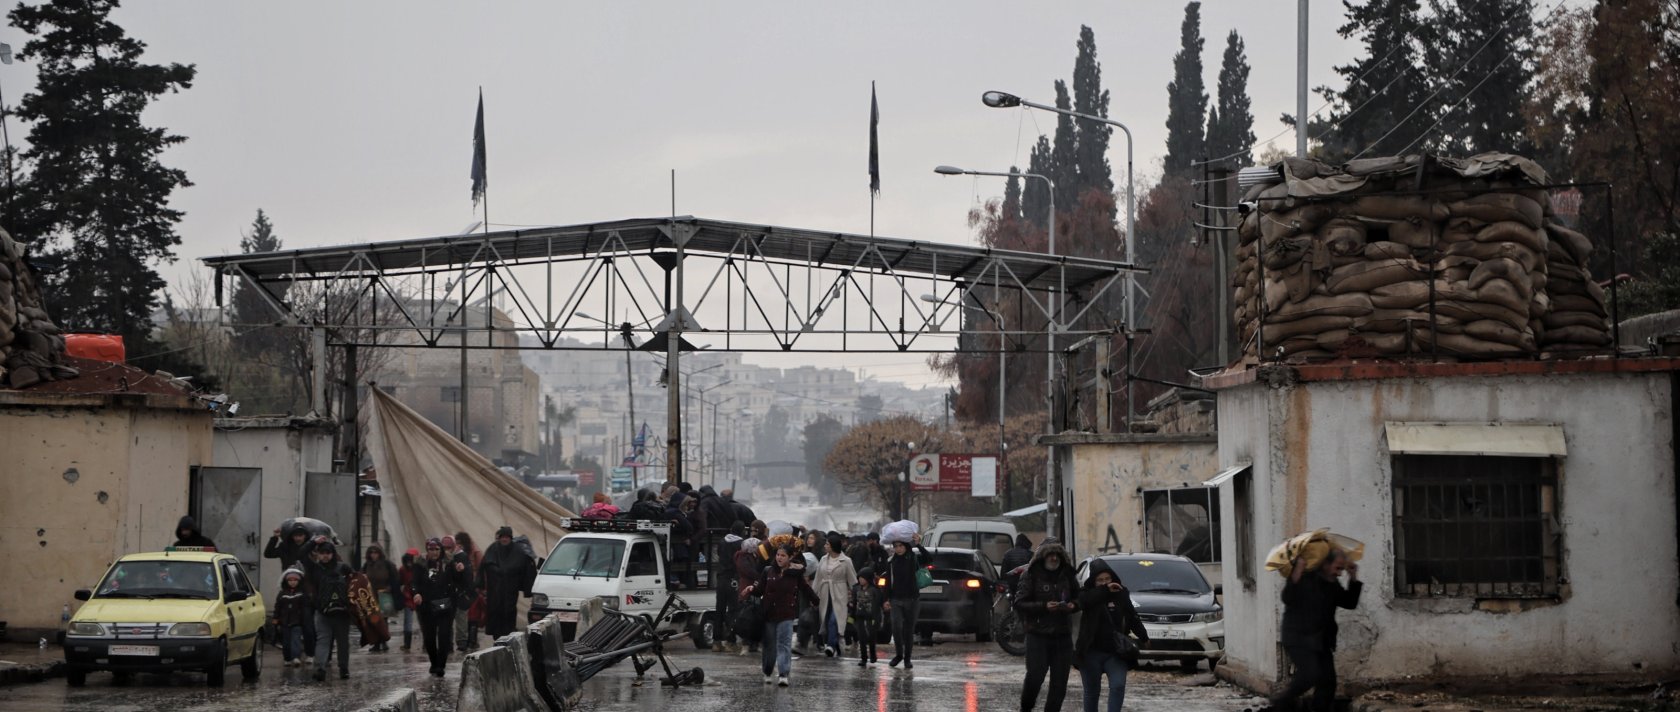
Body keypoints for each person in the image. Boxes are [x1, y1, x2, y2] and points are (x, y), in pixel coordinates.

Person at [1270, 549, 1362, 712]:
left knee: (1328, 683)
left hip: (1321, 641)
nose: (1339, 573)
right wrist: (1297, 570)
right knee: (1309, 674)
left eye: (1342, 569)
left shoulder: (1332, 584)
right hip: (1298, 638)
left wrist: (1353, 577)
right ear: (1325, 565)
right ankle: (1280, 703)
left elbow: (1349, 602)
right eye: (1337, 568)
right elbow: (1288, 597)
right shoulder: (1306, 578)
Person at [1075, 559, 1148, 712]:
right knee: (1091, 692)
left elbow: (1132, 616)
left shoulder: (1121, 593)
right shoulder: (1086, 594)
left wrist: (1143, 636)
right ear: (1093, 582)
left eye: (1107, 579)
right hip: (1090, 652)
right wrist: (1105, 590)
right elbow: (1084, 601)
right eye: (1100, 580)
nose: (1104, 582)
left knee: (1118, 685)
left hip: (1116, 652)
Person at [742, 544, 817, 688]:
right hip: (769, 614)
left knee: (784, 644)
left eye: (783, 555)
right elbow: (760, 590)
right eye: (777, 555)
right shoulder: (768, 571)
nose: (779, 558)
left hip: (787, 614)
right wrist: (752, 589)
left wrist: (815, 600)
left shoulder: (795, 574)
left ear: (789, 558)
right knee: (769, 645)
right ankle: (768, 671)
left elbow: (805, 589)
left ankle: (783, 674)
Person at [1016, 541, 1078, 712]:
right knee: (1035, 677)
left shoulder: (1068, 574)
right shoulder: (1030, 574)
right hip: (1038, 635)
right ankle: (1026, 707)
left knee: (1059, 683)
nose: (1053, 558)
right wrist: (1044, 606)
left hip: (1062, 636)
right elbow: (1020, 602)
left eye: (1057, 555)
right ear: (1043, 556)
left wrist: (1073, 605)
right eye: (1050, 554)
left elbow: (1079, 597)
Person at [413, 537, 468, 677]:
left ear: (441, 550)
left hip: (445, 605)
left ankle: (441, 665)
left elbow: (459, 581)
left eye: (437, 549)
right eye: (431, 549)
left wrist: (461, 571)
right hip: (426, 606)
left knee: (444, 636)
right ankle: (434, 662)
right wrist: (417, 593)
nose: (434, 552)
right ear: (427, 550)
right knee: (429, 638)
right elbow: (414, 582)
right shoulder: (420, 564)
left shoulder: (449, 563)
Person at [301, 537, 354, 681]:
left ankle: (344, 668)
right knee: (323, 640)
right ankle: (320, 669)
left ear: (333, 553)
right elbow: (301, 554)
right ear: (317, 554)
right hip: (322, 610)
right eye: (322, 553)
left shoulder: (343, 567)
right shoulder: (314, 568)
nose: (325, 556)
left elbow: (355, 582)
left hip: (342, 612)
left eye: (328, 553)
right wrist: (313, 542)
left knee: (342, 642)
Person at [882, 535, 932, 670]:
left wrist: (919, 545)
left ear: (906, 546)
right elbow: (887, 582)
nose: (898, 549)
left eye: (901, 546)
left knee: (908, 631)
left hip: (912, 600)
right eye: (896, 546)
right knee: (896, 628)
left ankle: (907, 659)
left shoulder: (913, 558)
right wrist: (885, 599)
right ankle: (899, 654)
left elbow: (929, 559)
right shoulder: (891, 561)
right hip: (896, 600)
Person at [478, 526, 537, 639]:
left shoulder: (518, 551)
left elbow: (526, 567)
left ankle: (508, 638)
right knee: (495, 613)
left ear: (510, 538)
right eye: (502, 537)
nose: (504, 540)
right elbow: (484, 565)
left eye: (507, 537)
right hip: (495, 590)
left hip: (510, 591)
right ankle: (496, 639)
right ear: (499, 538)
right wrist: (495, 572)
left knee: (508, 612)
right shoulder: (493, 548)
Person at [812, 533, 858, 658]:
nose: (825, 546)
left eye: (827, 544)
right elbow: (818, 578)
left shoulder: (846, 561)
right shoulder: (823, 559)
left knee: (835, 619)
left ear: (833, 546)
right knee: (826, 619)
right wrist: (813, 594)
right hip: (825, 592)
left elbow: (853, 580)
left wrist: (854, 595)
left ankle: (831, 645)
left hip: (840, 593)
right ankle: (834, 644)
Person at [360, 544, 400, 652]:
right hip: (371, 595)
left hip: (384, 594)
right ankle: (376, 643)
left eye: (375, 552)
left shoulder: (387, 564)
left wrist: (390, 587)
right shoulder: (366, 565)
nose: (373, 555)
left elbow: (395, 578)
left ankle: (384, 641)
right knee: (374, 619)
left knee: (384, 619)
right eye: (371, 552)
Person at [714, 523, 746, 652]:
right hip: (733, 580)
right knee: (733, 610)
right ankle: (730, 641)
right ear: (742, 531)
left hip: (721, 579)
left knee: (719, 610)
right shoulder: (740, 544)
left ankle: (716, 642)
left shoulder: (722, 542)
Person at [447, 533, 482, 652]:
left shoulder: (467, 555)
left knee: (467, 617)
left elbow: (477, 570)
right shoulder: (447, 557)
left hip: (466, 591)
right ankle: (455, 643)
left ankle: (466, 642)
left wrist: (475, 586)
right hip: (454, 592)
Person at [271, 567, 310, 667]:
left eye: (295, 580)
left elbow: (305, 607)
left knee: (295, 640)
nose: (292, 582)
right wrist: (275, 619)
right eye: (290, 580)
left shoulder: (302, 594)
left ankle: (296, 657)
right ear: (286, 581)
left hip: (297, 621)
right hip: (284, 622)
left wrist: (304, 619)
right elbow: (277, 607)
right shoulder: (282, 594)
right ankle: (287, 658)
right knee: (286, 642)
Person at [735, 536, 764, 656]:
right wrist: (760, 576)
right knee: (747, 619)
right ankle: (746, 645)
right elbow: (750, 572)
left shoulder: (754, 557)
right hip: (746, 591)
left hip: (756, 591)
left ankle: (754, 643)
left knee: (757, 619)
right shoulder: (742, 557)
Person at [852, 562, 882, 666]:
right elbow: (853, 603)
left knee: (872, 637)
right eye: (859, 577)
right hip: (859, 616)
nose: (860, 580)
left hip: (871, 617)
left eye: (863, 578)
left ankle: (873, 655)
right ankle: (863, 658)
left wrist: (878, 618)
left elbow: (878, 605)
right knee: (861, 637)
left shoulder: (874, 590)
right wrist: (851, 617)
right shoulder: (856, 589)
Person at [399, 548, 420, 652]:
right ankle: (407, 644)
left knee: (423, 622)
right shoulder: (402, 569)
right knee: (408, 622)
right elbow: (400, 582)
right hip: (408, 597)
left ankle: (425, 643)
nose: (409, 563)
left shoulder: (421, 568)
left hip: (420, 596)